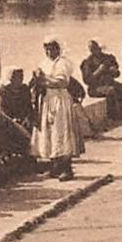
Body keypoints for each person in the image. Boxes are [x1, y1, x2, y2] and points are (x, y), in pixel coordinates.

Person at [32, 35, 81, 180]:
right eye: (46, 49)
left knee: (61, 132)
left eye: (51, 49)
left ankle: (67, 169)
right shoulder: (44, 63)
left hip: (60, 99)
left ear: (58, 49)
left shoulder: (63, 63)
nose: (49, 52)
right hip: (47, 99)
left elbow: (62, 82)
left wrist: (44, 79)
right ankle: (54, 167)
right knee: (49, 132)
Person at [81, 38, 122, 119]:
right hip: (95, 88)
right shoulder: (87, 62)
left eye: (96, 48)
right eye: (92, 49)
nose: (95, 51)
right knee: (111, 91)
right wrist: (98, 71)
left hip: (109, 83)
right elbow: (87, 80)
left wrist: (114, 71)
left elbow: (117, 74)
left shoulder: (108, 58)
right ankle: (113, 117)